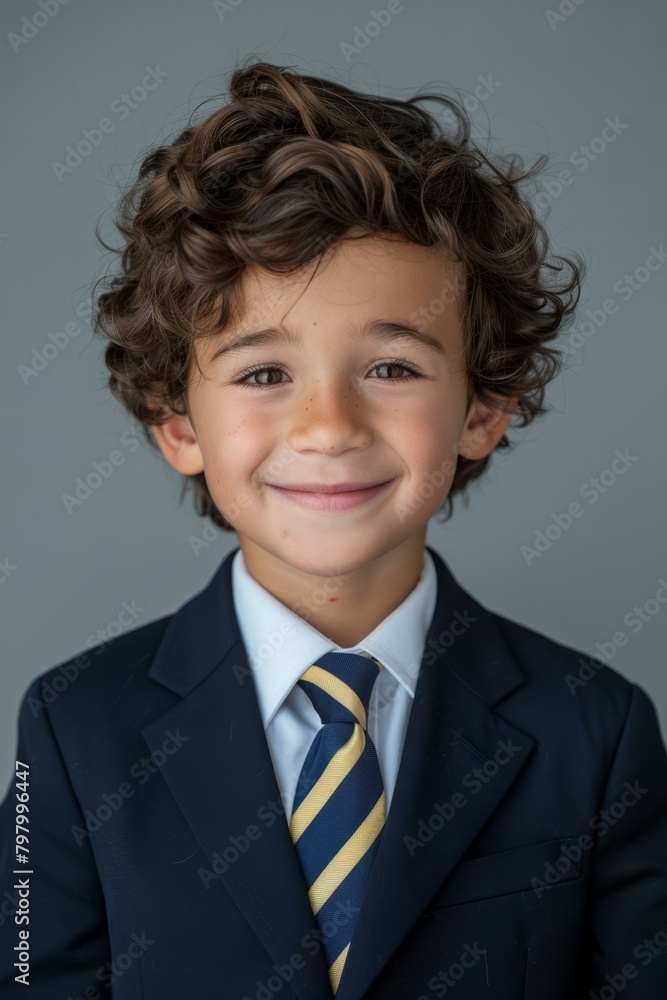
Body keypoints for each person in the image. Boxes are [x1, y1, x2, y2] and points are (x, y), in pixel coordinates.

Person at [1, 58, 666, 1000]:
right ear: (178, 422)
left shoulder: (593, 731)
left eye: (391, 369)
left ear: (483, 407)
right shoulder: (74, 730)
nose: (328, 427)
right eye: (264, 373)